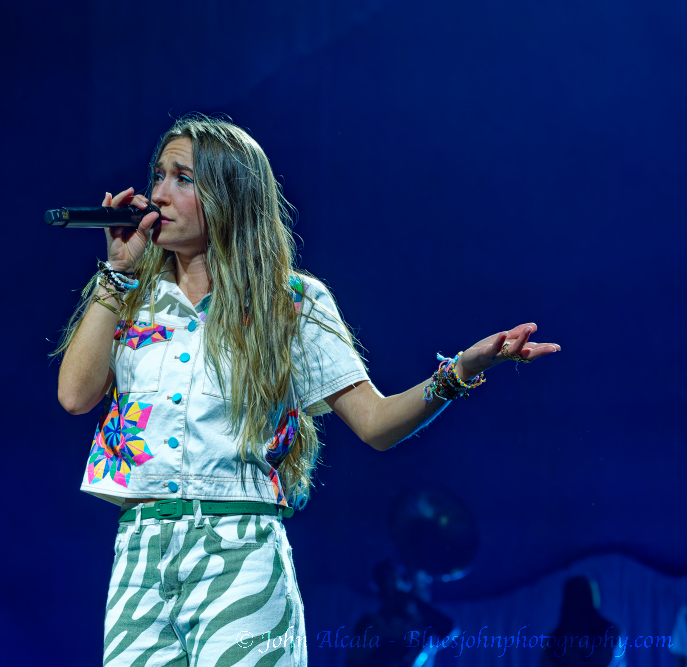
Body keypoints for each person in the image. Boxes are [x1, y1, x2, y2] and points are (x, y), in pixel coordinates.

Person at [53, 114, 560, 666]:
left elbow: (375, 422)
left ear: (229, 194)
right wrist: (117, 272)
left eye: (183, 178)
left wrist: (458, 371)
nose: (158, 193)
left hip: (238, 550)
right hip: (141, 555)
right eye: (158, 175)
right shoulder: (132, 297)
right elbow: (75, 396)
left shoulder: (291, 302)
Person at [540, 576, 622, 667]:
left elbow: (615, 662)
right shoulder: (554, 641)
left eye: (582, 597)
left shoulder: (610, 633)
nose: (578, 605)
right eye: (573, 598)